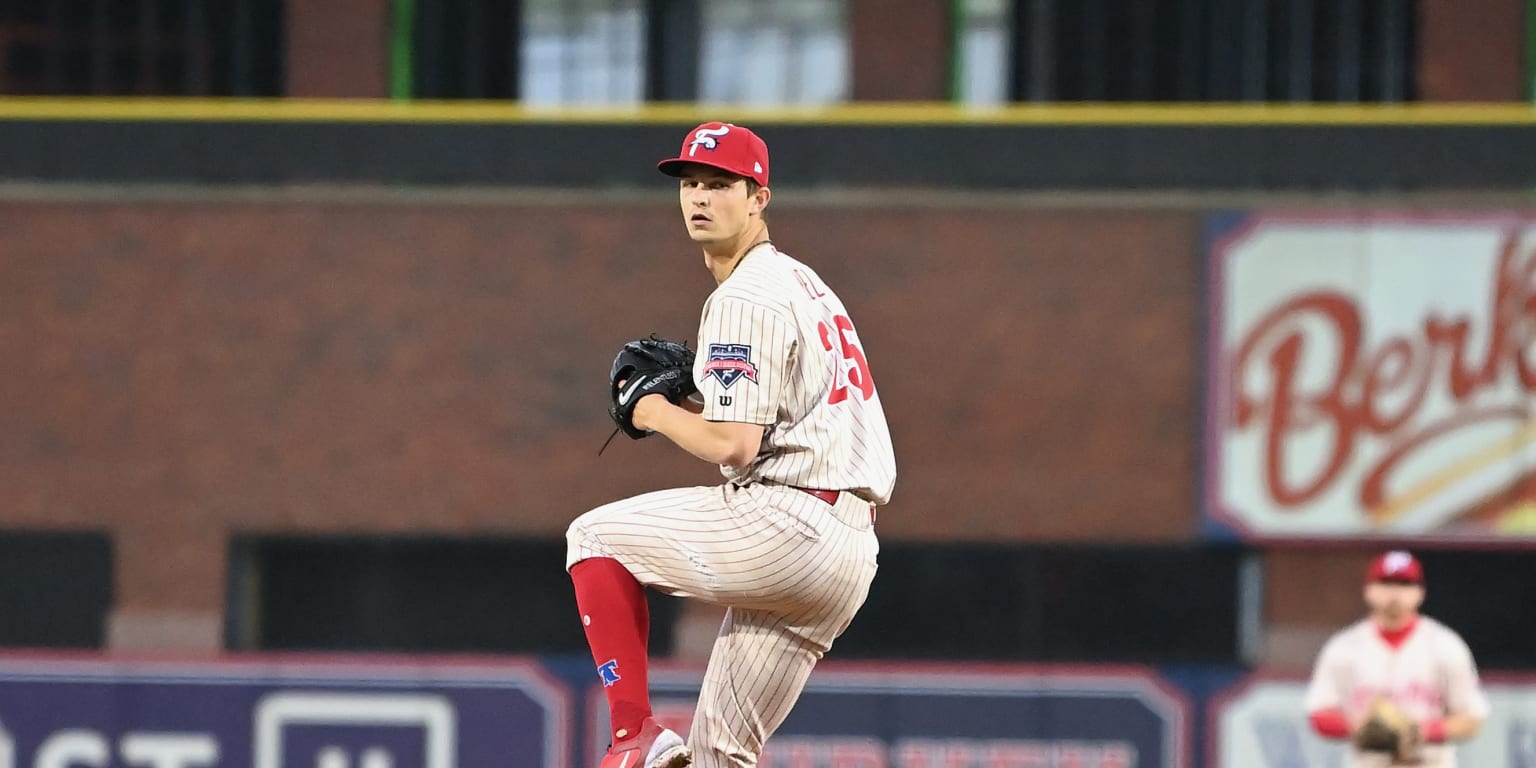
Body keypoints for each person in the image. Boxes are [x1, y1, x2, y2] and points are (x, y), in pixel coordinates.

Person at [565, 121, 897, 768]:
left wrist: (655, 409)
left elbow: (733, 446)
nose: (700, 197)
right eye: (691, 183)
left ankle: (634, 735)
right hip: (849, 552)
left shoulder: (743, 296)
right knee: (721, 755)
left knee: (594, 539)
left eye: (721, 185)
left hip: (788, 522)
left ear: (758, 198)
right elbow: (771, 419)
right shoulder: (804, 284)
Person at [1304, 550, 1490, 767]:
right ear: (1368, 590)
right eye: (1386, 583)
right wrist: (1356, 726)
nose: (1394, 593)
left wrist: (1422, 731)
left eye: (1404, 584)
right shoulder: (1343, 647)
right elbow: (1318, 714)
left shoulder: (1446, 645)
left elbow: (1472, 719)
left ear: (1420, 592)